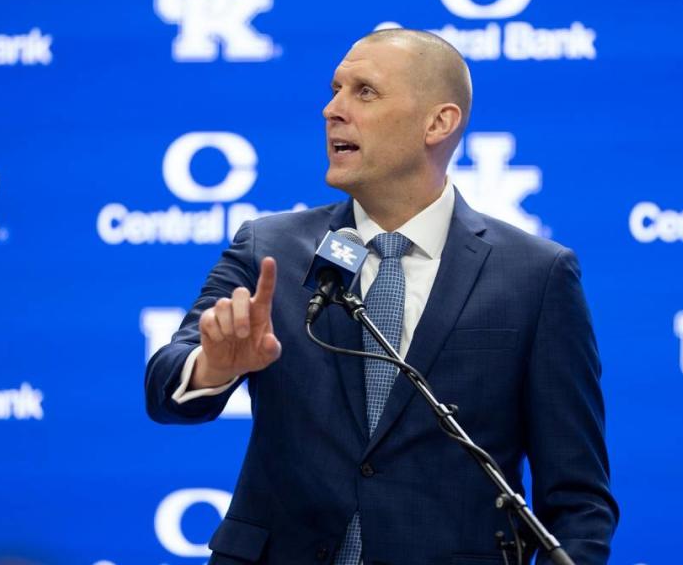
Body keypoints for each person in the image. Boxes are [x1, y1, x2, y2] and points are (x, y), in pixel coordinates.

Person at [145, 29, 619, 565]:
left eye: (364, 92)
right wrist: (212, 365)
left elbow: (577, 499)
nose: (332, 110)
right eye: (335, 89)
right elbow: (165, 387)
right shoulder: (269, 249)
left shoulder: (535, 276)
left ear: (438, 122)